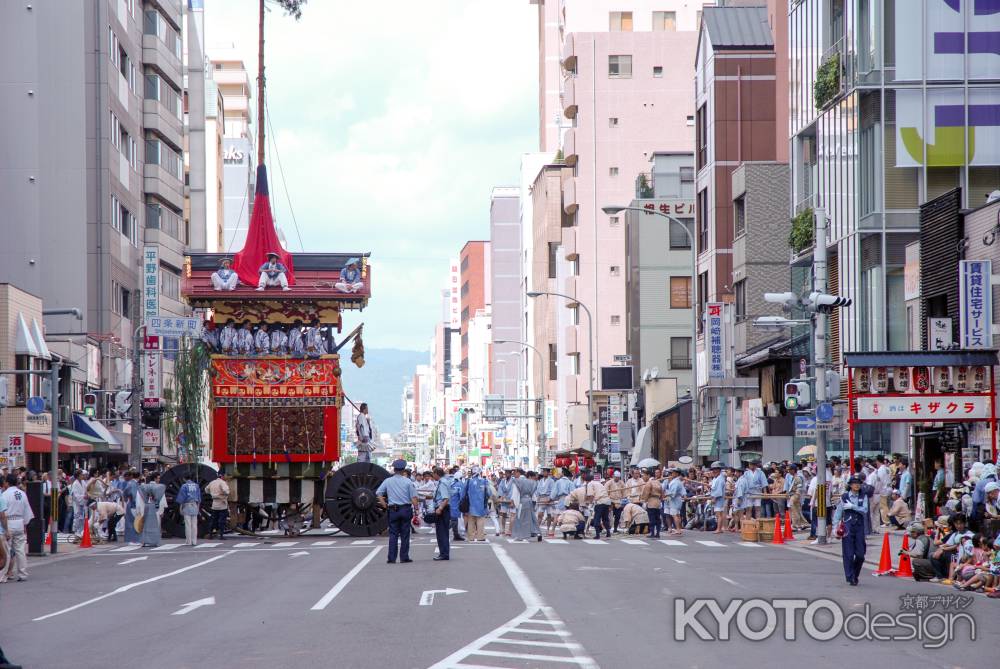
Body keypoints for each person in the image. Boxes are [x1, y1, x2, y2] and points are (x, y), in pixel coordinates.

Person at [375, 459, 419, 563]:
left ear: (394, 469)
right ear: (404, 470)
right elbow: (414, 498)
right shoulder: (408, 481)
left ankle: (391, 558)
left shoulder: (388, 481)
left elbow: (379, 493)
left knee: (393, 534)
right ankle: (404, 557)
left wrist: (384, 504)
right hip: (405, 509)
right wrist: (416, 509)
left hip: (393, 509)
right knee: (405, 534)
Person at [833, 475, 869, 586]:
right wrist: (835, 527)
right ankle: (850, 577)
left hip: (859, 526)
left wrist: (853, 506)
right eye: (854, 483)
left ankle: (855, 574)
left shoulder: (863, 496)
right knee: (848, 554)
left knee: (860, 555)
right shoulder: (844, 497)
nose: (857, 485)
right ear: (850, 485)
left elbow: (865, 510)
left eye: (858, 483)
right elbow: (838, 513)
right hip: (847, 526)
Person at [1, 475, 32, 582]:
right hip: (20, 521)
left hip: (9, 522)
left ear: (7, 483)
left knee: (6, 551)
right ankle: (23, 573)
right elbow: (27, 510)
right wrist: (24, 524)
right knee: (20, 550)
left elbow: (3, 513)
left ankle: (3, 575)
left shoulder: (4, 495)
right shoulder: (22, 494)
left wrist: (4, 528)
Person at [462, 467, 492, 542]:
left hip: (470, 504)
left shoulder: (468, 481)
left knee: (471, 521)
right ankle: (480, 537)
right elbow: (489, 492)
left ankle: (471, 537)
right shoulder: (484, 481)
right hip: (481, 505)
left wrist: (462, 500)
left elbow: (463, 493)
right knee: (480, 521)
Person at [174, 473, 202, 546]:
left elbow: (181, 498)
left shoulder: (184, 486)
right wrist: (198, 508)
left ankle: (188, 541)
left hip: (187, 506)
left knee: (188, 524)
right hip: (195, 505)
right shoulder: (196, 486)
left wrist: (181, 508)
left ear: (184, 478)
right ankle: (194, 541)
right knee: (194, 524)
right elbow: (199, 499)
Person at [138, 473, 166, 548]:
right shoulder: (159, 487)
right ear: (155, 479)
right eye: (158, 478)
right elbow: (162, 500)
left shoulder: (144, 487)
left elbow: (140, 499)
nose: (159, 480)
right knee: (156, 525)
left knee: (145, 525)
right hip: (155, 508)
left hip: (146, 507)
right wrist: (161, 510)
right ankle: (155, 541)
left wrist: (140, 510)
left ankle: (144, 541)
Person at [431, 466, 452, 561]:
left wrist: (440, 508)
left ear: (436, 474)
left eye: (433, 474)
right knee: (442, 532)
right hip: (443, 509)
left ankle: (444, 553)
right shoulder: (442, 482)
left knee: (442, 532)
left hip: (443, 509)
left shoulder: (442, 483)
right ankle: (444, 553)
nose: (432, 475)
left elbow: (446, 498)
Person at [510, 468, 537, 542]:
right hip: (529, 501)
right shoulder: (530, 481)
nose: (514, 474)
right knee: (529, 518)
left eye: (515, 473)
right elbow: (534, 493)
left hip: (521, 501)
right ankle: (532, 533)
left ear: (518, 473)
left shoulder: (517, 481)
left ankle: (520, 535)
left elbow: (515, 493)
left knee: (519, 518)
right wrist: (533, 500)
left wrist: (514, 502)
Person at [639, 468, 663, 538]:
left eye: (643, 475)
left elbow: (646, 494)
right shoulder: (658, 482)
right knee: (658, 518)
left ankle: (652, 533)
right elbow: (662, 493)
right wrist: (660, 499)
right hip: (658, 502)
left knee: (652, 518)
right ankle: (658, 533)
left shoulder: (649, 483)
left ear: (648, 475)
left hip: (651, 502)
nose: (642, 477)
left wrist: (643, 500)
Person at [206, 474, 231, 539]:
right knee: (222, 520)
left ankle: (210, 534)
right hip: (222, 503)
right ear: (222, 476)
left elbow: (206, 490)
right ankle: (221, 535)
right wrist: (225, 493)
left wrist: (212, 493)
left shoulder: (212, 482)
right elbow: (226, 491)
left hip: (214, 504)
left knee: (213, 519)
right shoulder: (222, 483)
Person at [663, 468, 685, 536]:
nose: (672, 474)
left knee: (675, 515)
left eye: (673, 473)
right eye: (671, 473)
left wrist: (666, 494)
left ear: (677, 474)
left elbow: (673, 493)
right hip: (675, 499)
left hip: (675, 499)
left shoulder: (676, 482)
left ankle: (678, 529)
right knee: (676, 515)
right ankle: (679, 529)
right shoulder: (676, 481)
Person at [708, 462, 727, 534]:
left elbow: (718, 491)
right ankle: (720, 528)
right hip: (716, 498)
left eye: (715, 469)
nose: (713, 471)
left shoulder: (720, 479)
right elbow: (713, 488)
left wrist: (714, 498)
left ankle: (719, 529)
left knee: (718, 514)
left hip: (718, 499)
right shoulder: (716, 478)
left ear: (719, 470)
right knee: (719, 514)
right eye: (713, 470)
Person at [69, 469, 88, 540]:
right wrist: (83, 496)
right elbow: (75, 495)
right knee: (77, 517)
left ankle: (81, 532)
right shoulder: (75, 484)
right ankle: (76, 532)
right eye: (81, 475)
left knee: (82, 518)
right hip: (77, 503)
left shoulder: (83, 482)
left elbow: (86, 490)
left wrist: (86, 494)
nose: (83, 476)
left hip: (83, 502)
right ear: (78, 476)